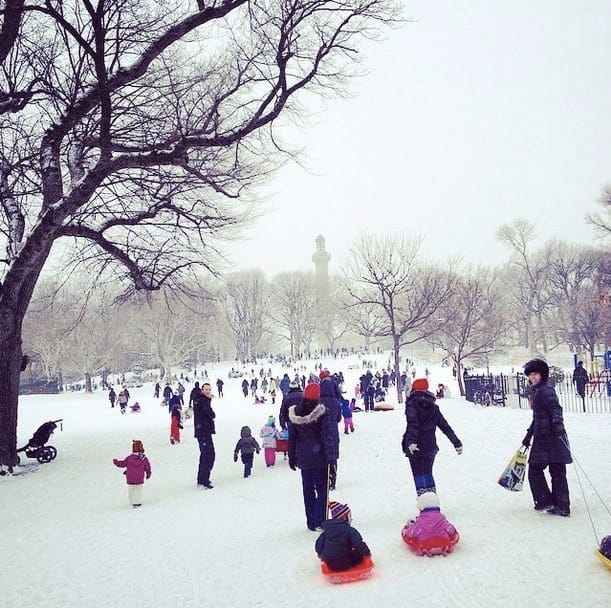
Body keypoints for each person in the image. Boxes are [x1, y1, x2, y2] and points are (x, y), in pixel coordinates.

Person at [521, 358, 572, 516]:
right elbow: (537, 418)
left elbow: (556, 408)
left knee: (535, 470)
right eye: (530, 375)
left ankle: (546, 501)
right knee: (557, 471)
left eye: (535, 374)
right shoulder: (539, 391)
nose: (532, 377)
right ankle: (561, 505)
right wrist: (528, 436)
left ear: (542, 375)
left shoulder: (546, 391)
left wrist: (558, 422)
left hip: (549, 437)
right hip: (548, 437)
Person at [288, 382, 339, 531]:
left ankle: (311, 521)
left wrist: (292, 456)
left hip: (303, 457)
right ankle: (320, 520)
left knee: (307, 488)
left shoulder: (295, 413)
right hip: (319, 457)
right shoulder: (322, 413)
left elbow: (292, 438)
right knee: (322, 488)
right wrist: (331, 457)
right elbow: (326, 436)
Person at [401, 378, 463, 496]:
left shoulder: (412, 404)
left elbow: (413, 423)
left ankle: (424, 506)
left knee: (418, 475)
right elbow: (445, 426)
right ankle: (432, 503)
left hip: (415, 447)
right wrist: (456, 442)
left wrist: (411, 442)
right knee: (428, 474)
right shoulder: (433, 407)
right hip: (430, 446)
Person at [315, 501, 371, 572]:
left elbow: (318, 545)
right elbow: (358, 544)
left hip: (329, 563)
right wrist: (367, 553)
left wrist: (321, 555)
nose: (351, 519)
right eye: (349, 516)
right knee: (358, 555)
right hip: (345, 562)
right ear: (344, 517)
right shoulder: (349, 530)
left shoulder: (326, 531)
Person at [112, 439, 152, 508]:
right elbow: (147, 467)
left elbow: (123, 464)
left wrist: (116, 462)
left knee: (131, 489)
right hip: (139, 478)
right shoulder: (144, 458)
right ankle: (136, 502)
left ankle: (131, 500)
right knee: (138, 490)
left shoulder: (129, 458)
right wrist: (148, 473)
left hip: (130, 477)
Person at [319, 376, 341, 491]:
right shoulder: (336, 402)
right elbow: (338, 418)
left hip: (321, 432)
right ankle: (333, 478)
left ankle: (324, 479)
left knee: (322, 455)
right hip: (333, 432)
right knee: (333, 456)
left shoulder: (318, 402)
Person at [193, 382, 216, 489]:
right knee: (208, 455)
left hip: (204, 431)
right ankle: (203, 480)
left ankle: (202, 479)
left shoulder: (201, 400)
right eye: (206, 389)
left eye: (209, 389)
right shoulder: (202, 400)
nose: (208, 391)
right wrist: (208, 401)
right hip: (203, 432)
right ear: (202, 390)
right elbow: (211, 414)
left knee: (206, 455)